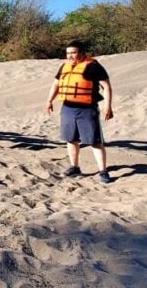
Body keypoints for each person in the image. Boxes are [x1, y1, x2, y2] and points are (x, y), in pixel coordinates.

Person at [45, 40, 115, 184]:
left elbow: (106, 87)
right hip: (67, 108)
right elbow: (56, 84)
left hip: (87, 109)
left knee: (94, 141)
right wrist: (49, 100)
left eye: (74, 53)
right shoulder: (64, 66)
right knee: (71, 139)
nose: (70, 56)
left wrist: (108, 106)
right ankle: (75, 167)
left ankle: (103, 171)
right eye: (68, 53)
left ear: (82, 53)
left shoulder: (93, 66)